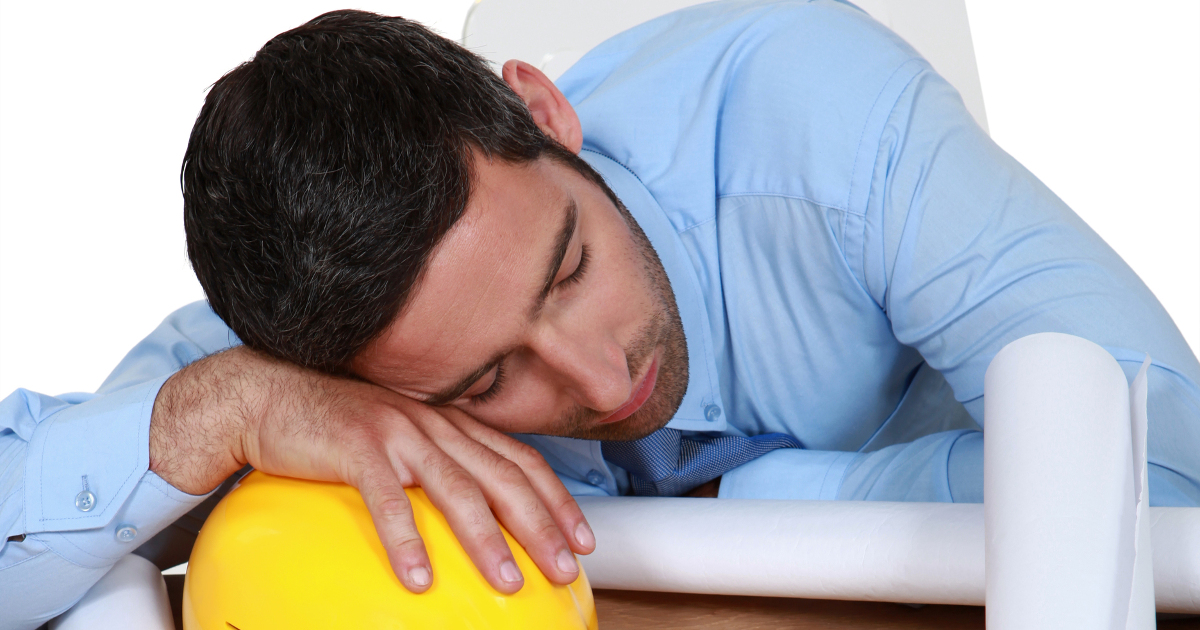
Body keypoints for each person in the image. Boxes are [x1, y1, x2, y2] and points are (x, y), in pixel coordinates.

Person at [3, 1, 1198, 626]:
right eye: (484, 382)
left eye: (566, 266)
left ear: (544, 110)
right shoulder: (312, 339)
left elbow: (1171, 477)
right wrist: (225, 408)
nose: (594, 376)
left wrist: (750, 508)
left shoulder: (824, 116)